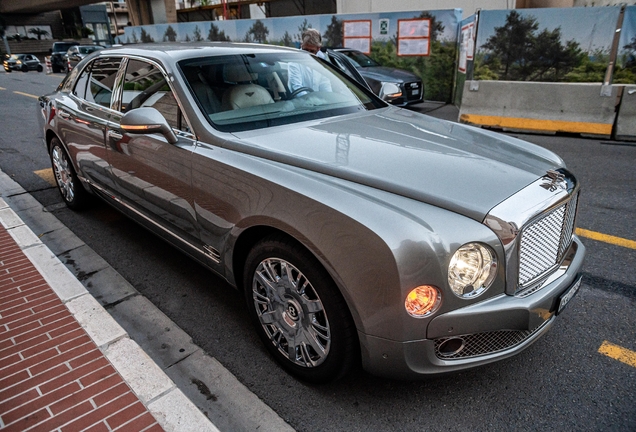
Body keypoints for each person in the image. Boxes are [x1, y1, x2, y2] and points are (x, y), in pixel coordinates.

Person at [287, 29, 331, 97]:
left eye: (311, 51)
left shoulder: (321, 61)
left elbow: (325, 85)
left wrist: (329, 99)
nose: (308, 53)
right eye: (306, 50)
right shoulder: (294, 62)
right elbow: (297, 88)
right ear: (302, 45)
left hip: (321, 104)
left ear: (318, 49)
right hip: (302, 104)